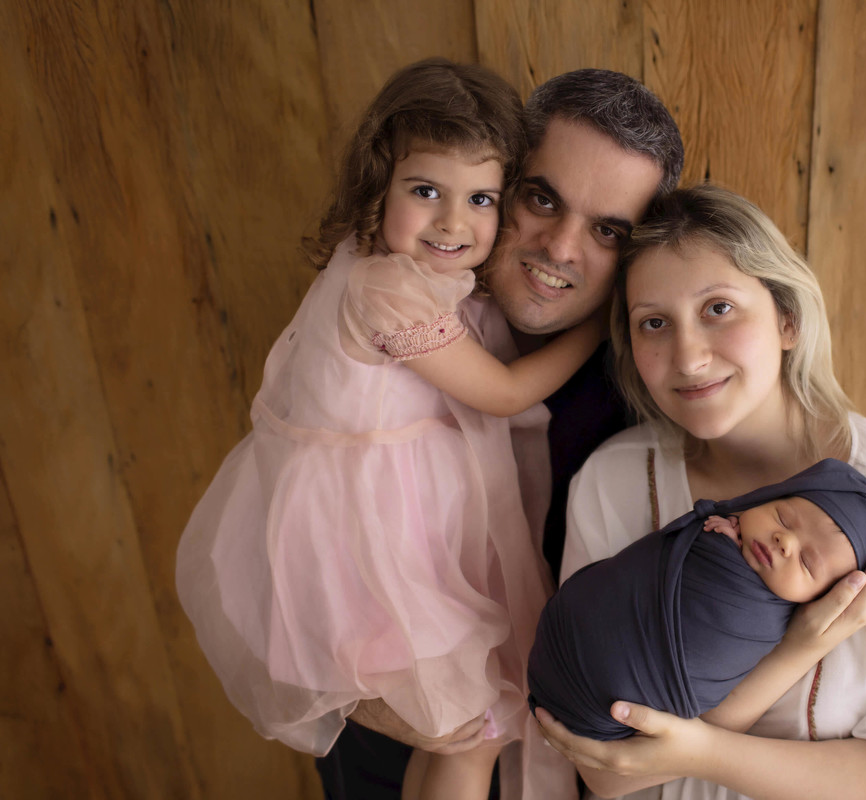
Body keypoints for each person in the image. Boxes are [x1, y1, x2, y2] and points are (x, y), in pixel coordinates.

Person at [175, 58, 610, 800]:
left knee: (461, 732)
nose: (453, 222)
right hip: (374, 556)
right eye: (425, 190)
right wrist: (598, 324)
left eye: (481, 199)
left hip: (395, 534)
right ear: (378, 184)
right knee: (475, 730)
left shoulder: (387, 266)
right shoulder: (387, 288)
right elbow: (504, 394)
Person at [536, 184, 866, 799]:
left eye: (718, 308)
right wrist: (797, 652)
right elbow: (601, 767)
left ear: (788, 319)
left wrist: (704, 752)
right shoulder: (614, 481)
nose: (688, 357)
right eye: (654, 323)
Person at [314, 68, 685, 798]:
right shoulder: (391, 314)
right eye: (541, 199)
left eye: (607, 231)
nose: (561, 248)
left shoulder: (647, 398)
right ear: (498, 180)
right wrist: (358, 695)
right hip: (373, 742)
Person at [528, 458, 866, 741]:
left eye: (807, 563)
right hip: (565, 634)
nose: (785, 541)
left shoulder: (766, 623)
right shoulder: (611, 470)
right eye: (782, 517)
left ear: (824, 598)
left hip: (611, 706)